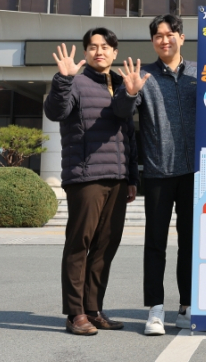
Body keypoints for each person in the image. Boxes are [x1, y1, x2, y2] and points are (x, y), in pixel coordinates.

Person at [44, 28, 139, 336]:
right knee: (79, 244)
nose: (100, 51)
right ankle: (75, 313)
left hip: (117, 178)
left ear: (114, 52)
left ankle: (93, 309)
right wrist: (63, 79)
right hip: (85, 177)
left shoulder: (121, 84)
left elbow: (127, 132)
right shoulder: (75, 82)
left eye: (105, 47)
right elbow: (56, 111)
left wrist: (132, 177)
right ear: (85, 52)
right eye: (93, 47)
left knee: (105, 246)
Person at [112, 14, 197, 336]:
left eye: (170, 34)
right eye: (158, 36)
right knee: (155, 243)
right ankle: (156, 309)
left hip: (196, 173)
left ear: (182, 38)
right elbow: (121, 113)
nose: (165, 40)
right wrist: (129, 92)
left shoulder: (201, 73)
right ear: (152, 42)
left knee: (190, 242)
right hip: (159, 171)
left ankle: (187, 306)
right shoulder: (142, 75)